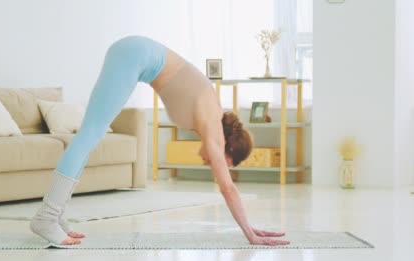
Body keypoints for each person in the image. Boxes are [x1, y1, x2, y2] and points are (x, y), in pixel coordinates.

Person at [30, 36, 290, 247]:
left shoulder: (213, 115)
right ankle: (48, 216)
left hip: (135, 53)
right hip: (134, 55)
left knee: (91, 133)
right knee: (91, 133)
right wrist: (250, 232)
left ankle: (56, 216)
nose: (211, 162)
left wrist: (248, 227)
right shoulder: (214, 129)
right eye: (224, 162)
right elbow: (227, 188)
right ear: (227, 148)